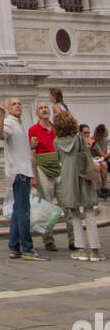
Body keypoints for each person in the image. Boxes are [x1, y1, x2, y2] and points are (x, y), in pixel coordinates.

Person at [53, 110, 104, 262]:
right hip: (83, 178)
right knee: (89, 212)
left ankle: (80, 248)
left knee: (74, 214)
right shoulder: (79, 140)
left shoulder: (56, 142)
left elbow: (58, 162)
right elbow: (86, 158)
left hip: (68, 180)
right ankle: (94, 250)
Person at [0, 97, 40, 261]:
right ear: (8, 108)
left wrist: (31, 146)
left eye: (19, 103)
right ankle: (27, 248)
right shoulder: (9, 122)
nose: (18, 106)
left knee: (17, 211)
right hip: (20, 173)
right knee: (23, 211)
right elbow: (0, 135)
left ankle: (14, 246)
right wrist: (1, 114)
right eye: (14, 104)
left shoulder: (19, 124)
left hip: (22, 171)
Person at [29, 102, 74, 251]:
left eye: (45, 108)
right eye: (41, 108)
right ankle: (48, 240)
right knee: (47, 204)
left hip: (59, 167)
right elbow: (33, 153)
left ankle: (73, 239)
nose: (44, 110)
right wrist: (34, 176)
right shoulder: (34, 130)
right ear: (37, 113)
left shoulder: (56, 128)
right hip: (43, 168)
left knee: (67, 203)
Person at [89, 124, 110, 198]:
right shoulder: (94, 142)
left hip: (103, 160)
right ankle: (97, 188)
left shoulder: (106, 140)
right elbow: (102, 155)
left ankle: (104, 186)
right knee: (103, 164)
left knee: (104, 164)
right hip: (95, 159)